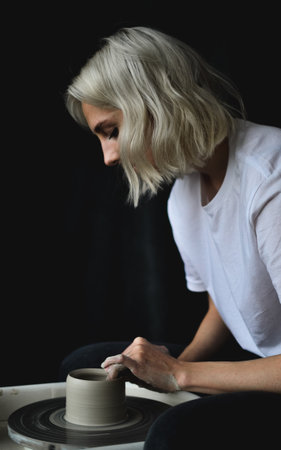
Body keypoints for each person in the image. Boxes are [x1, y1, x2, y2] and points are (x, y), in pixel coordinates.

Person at [61, 27, 281, 447]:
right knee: (83, 365)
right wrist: (173, 364)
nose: (108, 157)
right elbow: (227, 302)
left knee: (173, 434)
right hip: (252, 363)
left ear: (155, 104)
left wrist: (180, 374)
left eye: (111, 131)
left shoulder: (270, 180)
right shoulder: (183, 195)